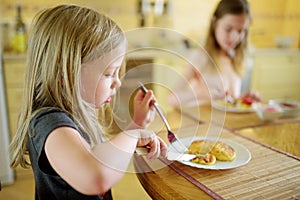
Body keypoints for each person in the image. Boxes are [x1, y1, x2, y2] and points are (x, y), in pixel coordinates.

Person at [9, 4, 167, 200]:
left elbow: (97, 156)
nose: (117, 82)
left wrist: (135, 129)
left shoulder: (75, 113)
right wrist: (132, 132)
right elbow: (95, 175)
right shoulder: (48, 123)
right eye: (109, 73)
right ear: (65, 72)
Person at [168, 0, 262, 106]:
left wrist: (243, 100)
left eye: (240, 31)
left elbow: (229, 101)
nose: (234, 37)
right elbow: (171, 99)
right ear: (214, 23)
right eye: (228, 29)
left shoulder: (235, 57)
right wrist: (201, 94)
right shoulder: (202, 57)